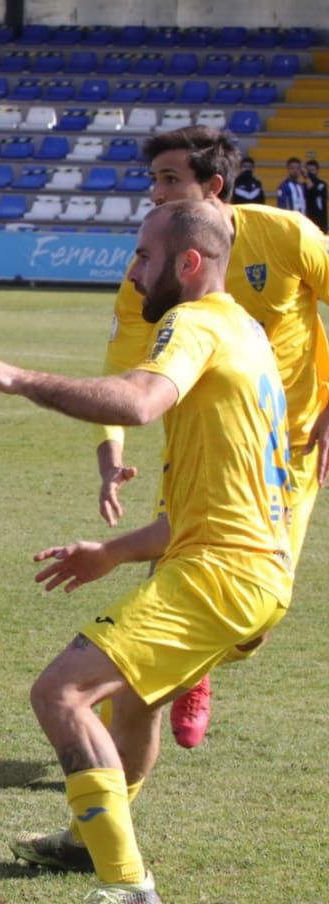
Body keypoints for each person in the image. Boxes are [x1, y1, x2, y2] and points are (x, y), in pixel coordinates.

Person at [0, 199, 292, 904]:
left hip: (222, 576)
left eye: (143, 256)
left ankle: (130, 890)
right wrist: (112, 551)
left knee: (61, 692)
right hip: (254, 570)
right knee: (133, 703)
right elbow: (208, 507)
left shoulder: (191, 323)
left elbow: (136, 402)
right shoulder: (246, 332)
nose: (133, 271)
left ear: (188, 263)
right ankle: (87, 840)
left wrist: (17, 378)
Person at [89, 126, 329, 755]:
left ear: (211, 188)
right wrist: (110, 455)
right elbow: (124, 373)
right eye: (154, 179)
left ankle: (198, 667)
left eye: (170, 180)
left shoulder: (286, 236)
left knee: (252, 613)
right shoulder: (154, 265)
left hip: (292, 452)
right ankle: (177, 682)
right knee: (184, 572)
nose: (155, 192)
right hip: (205, 452)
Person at [304, 158, 327, 232]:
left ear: (317, 171)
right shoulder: (303, 185)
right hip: (308, 218)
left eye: (313, 170)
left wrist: (306, 177)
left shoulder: (322, 184)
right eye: (308, 170)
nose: (311, 173)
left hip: (320, 219)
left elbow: (313, 191)